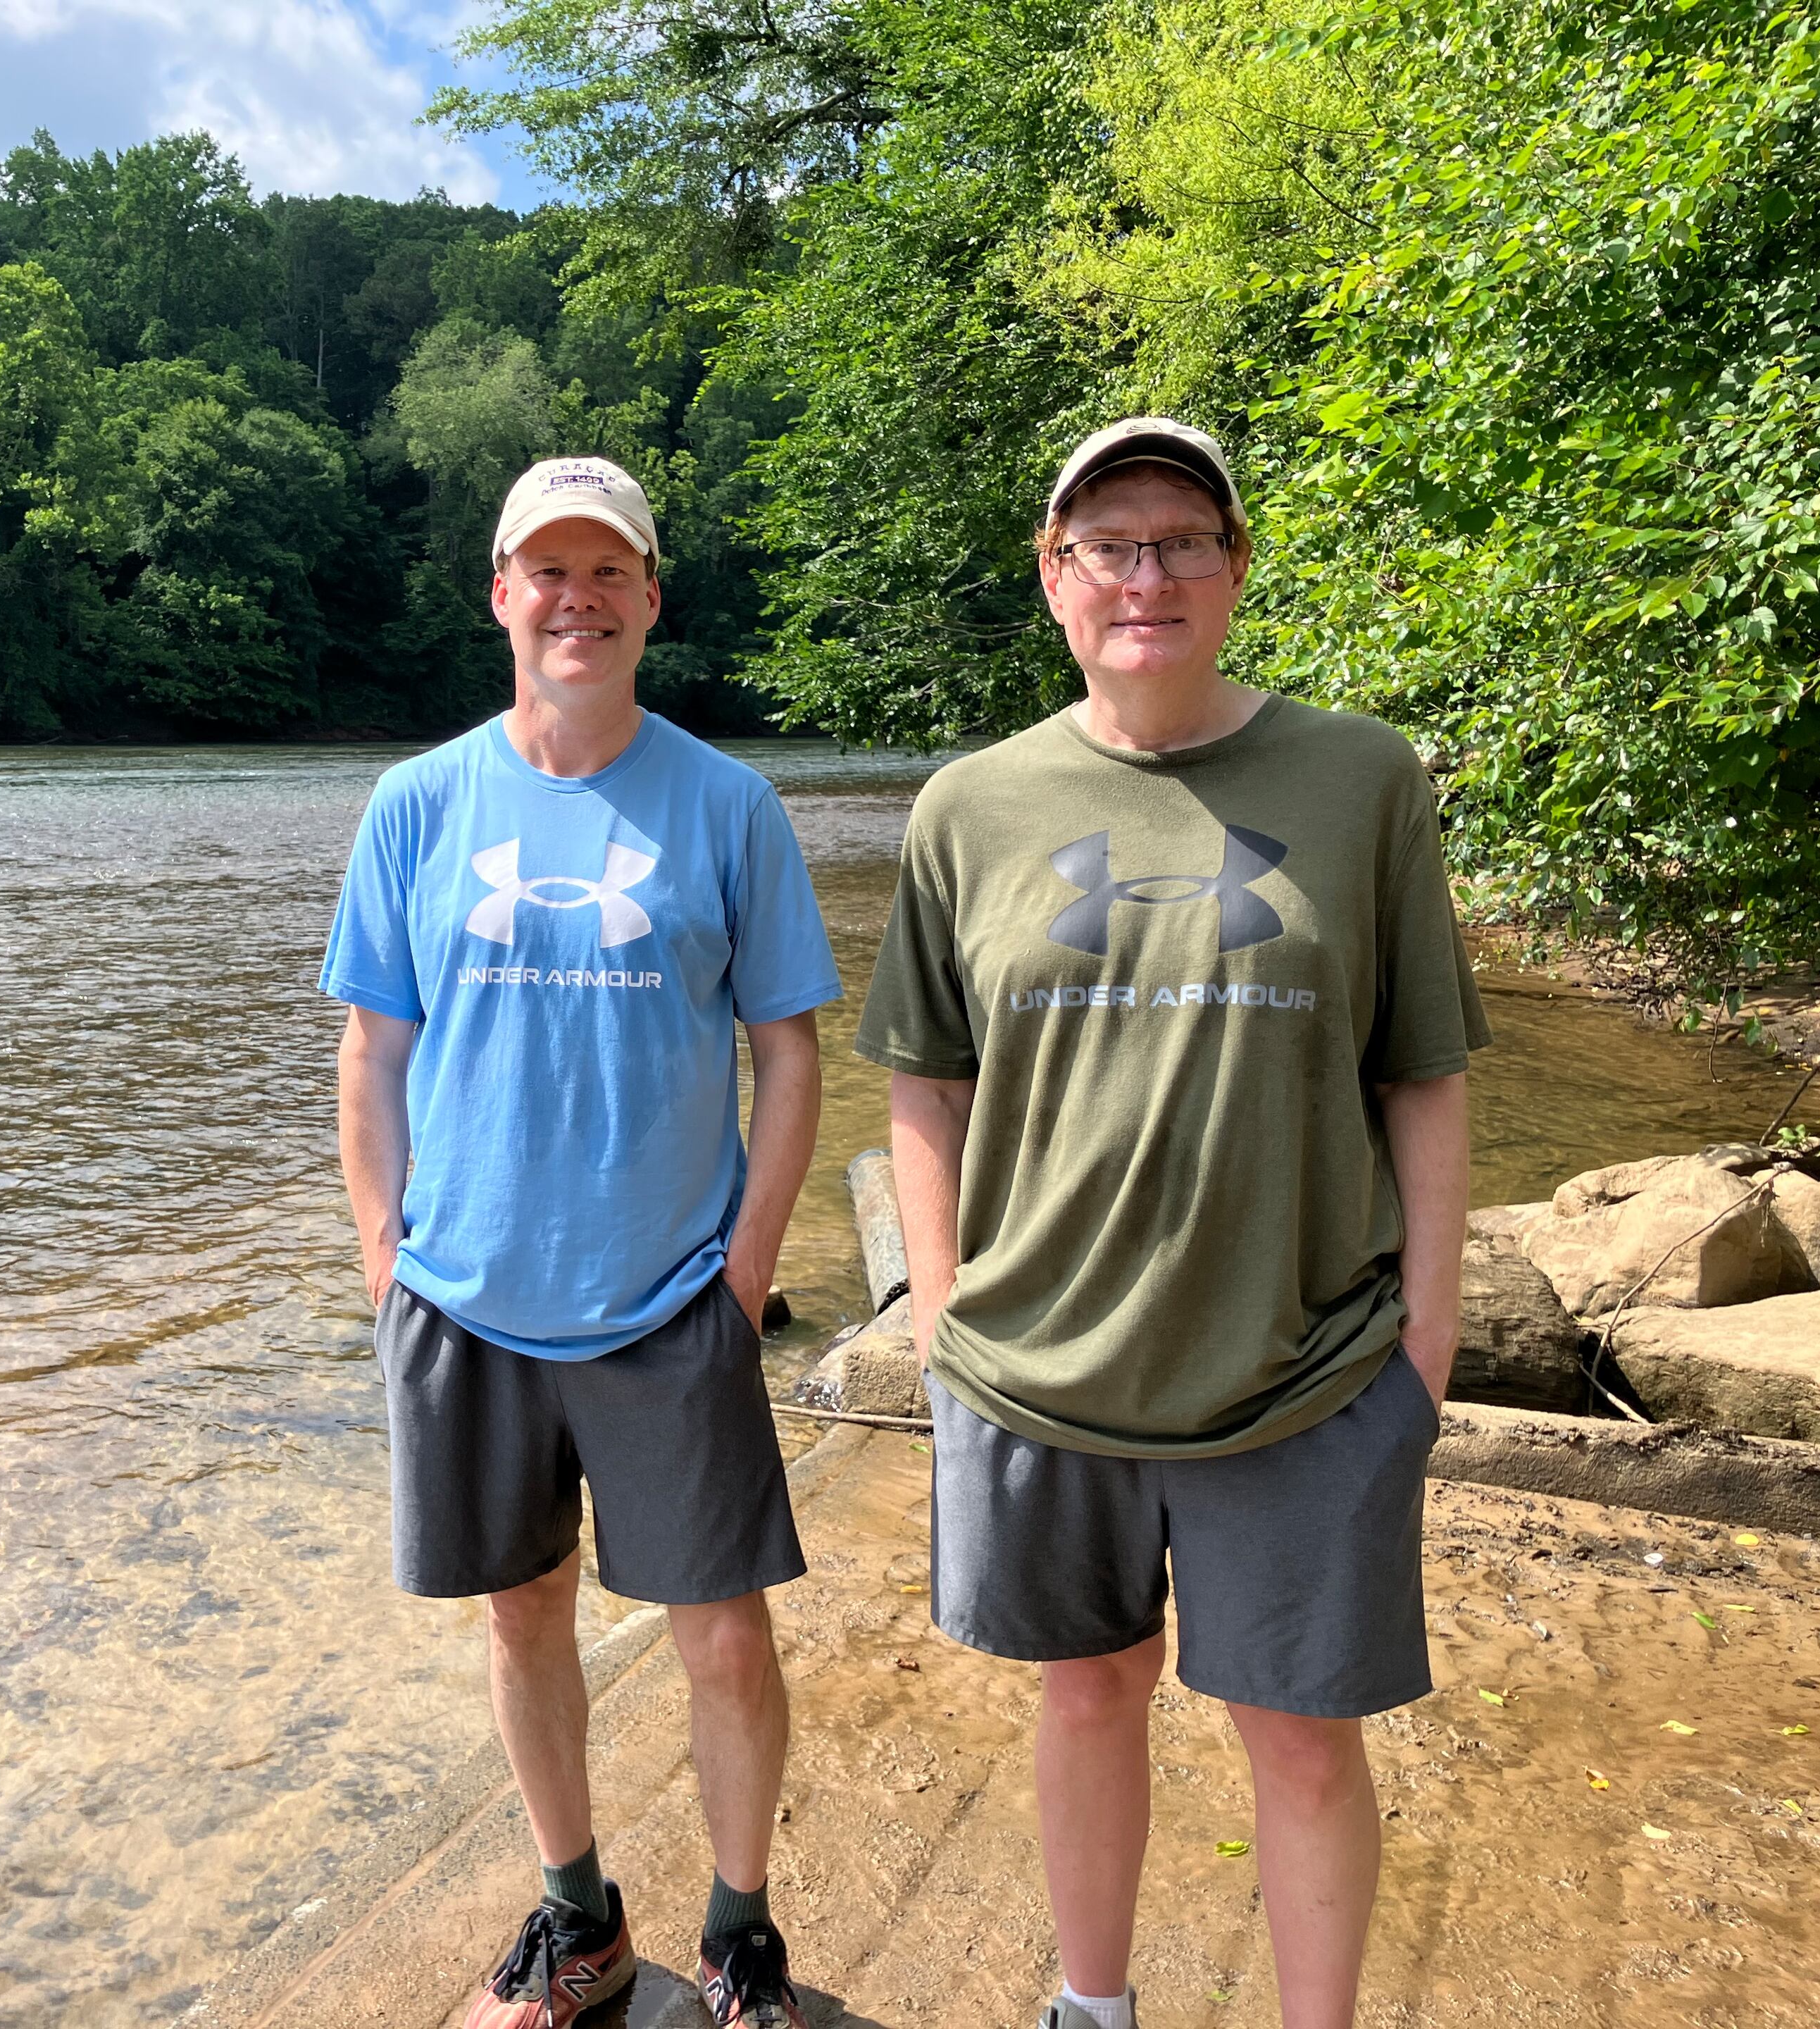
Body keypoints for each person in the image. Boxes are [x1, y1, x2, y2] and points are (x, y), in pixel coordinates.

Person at [853, 418, 1485, 2029]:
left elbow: (1423, 1069)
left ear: (1238, 566)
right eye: (1108, 547)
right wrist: (937, 1319)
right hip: (1040, 1369)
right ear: (1055, 582)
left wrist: (1427, 1333)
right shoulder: (970, 807)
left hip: (1309, 1368)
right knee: (1089, 1691)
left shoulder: (1361, 781)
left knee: (1297, 1728)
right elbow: (924, 1085)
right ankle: (1094, 2005)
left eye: (1183, 540)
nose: (1149, 575)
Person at [322, 455, 842, 2029]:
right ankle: (578, 1916)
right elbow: (371, 1052)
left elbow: (793, 1054)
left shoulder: (725, 804)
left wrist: (748, 1271)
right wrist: (381, 1257)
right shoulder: (418, 802)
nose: (578, 599)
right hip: (468, 1300)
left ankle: (743, 1933)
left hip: (671, 1297)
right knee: (520, 1614)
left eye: (607, 571)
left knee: (724, 1638)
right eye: (547, 571)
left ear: (650, 601)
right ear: (500, 597)